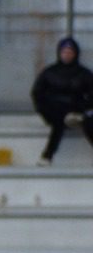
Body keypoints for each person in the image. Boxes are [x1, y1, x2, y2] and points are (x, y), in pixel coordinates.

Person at [31, 36, 93, 165]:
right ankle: (47, 155)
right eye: (64, 52)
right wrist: (44, 109)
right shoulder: (49, 72)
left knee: (89, 122)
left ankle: (75, 118)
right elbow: (38, 93)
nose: (67, 55)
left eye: (70, 52)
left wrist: (85, 108)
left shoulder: (84, 73)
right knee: (58, 122)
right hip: (55, 110)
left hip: (77, 109)